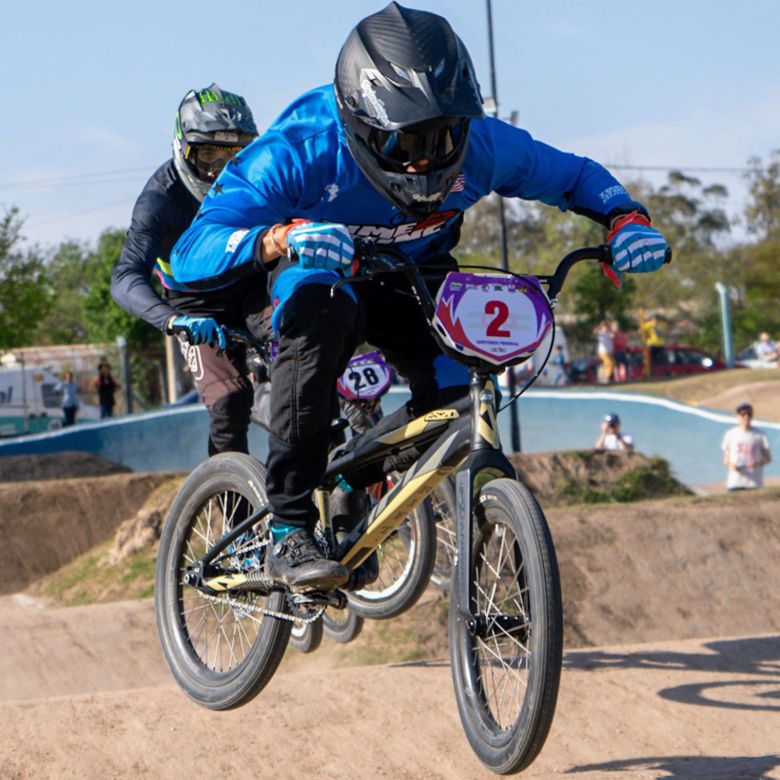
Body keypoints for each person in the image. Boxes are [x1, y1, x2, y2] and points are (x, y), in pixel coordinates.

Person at [169, 2, 669, 589]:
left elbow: (576, 176)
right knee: (319, 319)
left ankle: (357, 477)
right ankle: (289, 527)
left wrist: (624, 219)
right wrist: (280, 238)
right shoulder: (299, 149)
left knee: (456, 395)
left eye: (442, 136)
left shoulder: (486, 145)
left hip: (415, 277)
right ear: (358, 123)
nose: (426, 158)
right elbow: (190, 251)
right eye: (405, 143)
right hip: (320, 280)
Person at [111, 84, 260, 454]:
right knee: (230, 403)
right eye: (208, 156)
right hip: (195, 305)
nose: (221, 172)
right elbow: (126, 276)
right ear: (182, 148)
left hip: (254, 286)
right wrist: (173, 321)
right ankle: (231, 505)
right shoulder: (160, 199)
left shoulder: (262, 180)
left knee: (310, 365)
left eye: (236, 157)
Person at [722, 402, 771, 491]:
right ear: (737, 416)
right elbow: (726, 460)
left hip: (755, 483)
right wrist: (731, 466)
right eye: (743, 414)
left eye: (749, 414)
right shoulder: (730, 434)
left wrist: (758, 463)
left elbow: (768, 458)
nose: (746, 417)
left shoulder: (760, 435)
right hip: (735, 482)